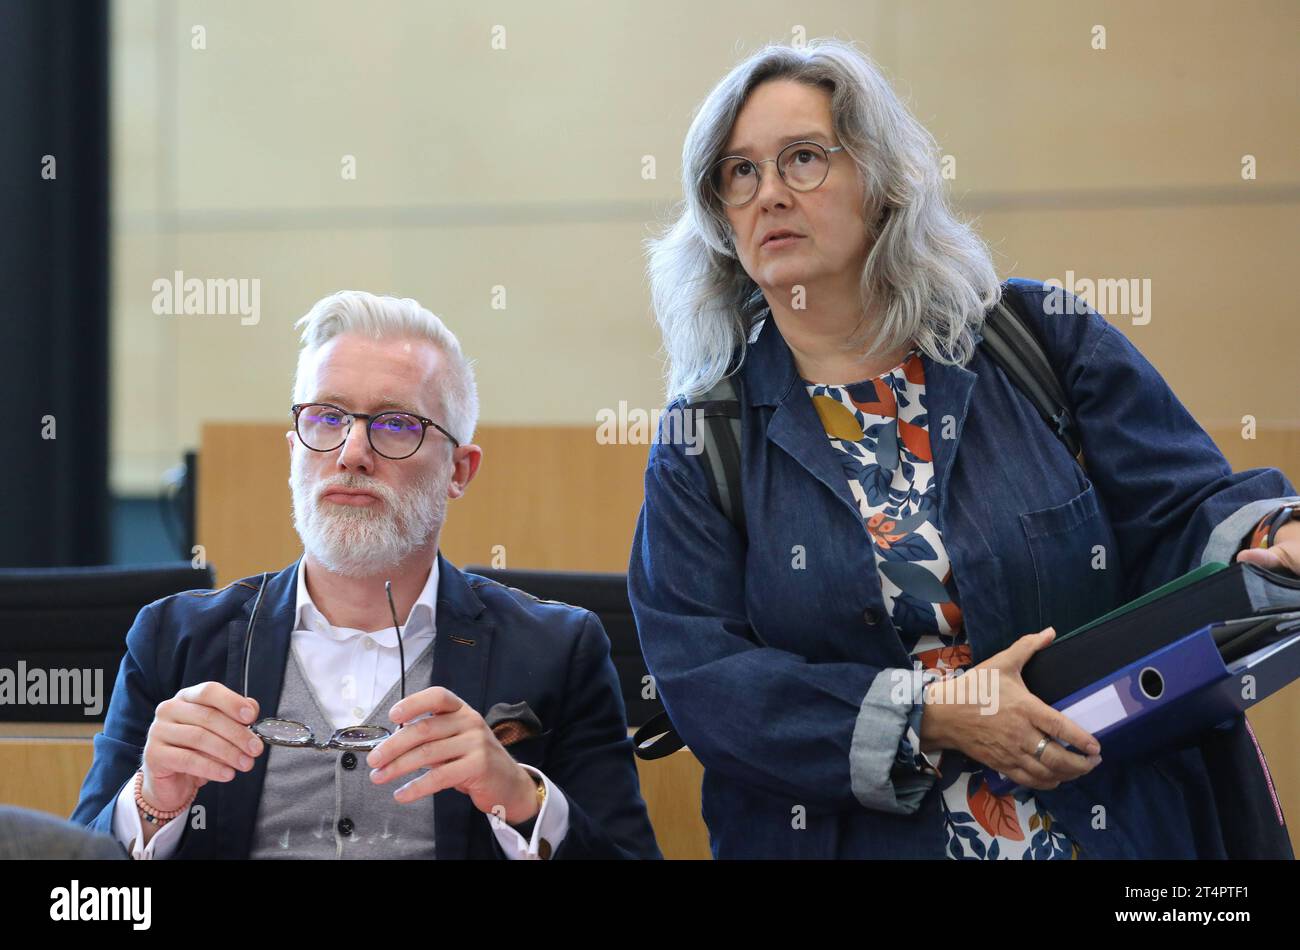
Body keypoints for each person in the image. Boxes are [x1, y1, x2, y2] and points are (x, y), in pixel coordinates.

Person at [627, 38, 1299, 859]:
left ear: (881, 181)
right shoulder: (707, 438)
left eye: (802, 159)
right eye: (738, 173)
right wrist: (933, 714)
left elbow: (1182, 507)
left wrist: (1274, 536)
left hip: (1112, 823)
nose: (768, 194)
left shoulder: (1039, 338)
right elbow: (708, 683)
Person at [72, 290, 660, 860]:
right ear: (294, 449)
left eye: (396, 424)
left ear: (460, 470)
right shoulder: (173, 641)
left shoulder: (559, 651)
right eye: (327, 417)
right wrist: (151, 803)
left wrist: (524, 801)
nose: (352, 451)